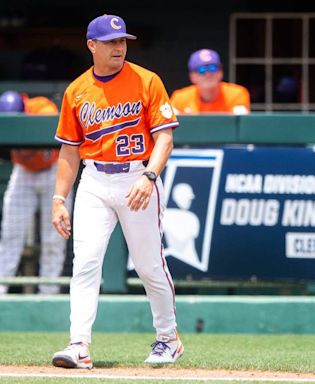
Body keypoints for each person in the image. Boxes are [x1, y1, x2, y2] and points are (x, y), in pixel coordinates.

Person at [50, 14, 183, 369]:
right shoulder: (76, 91)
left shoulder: (146, 80)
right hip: (94, 180)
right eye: (110, 42)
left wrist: (150, 175)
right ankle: (79, 344)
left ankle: (168, 338)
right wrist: (59, 199)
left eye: (122, 40)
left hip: (137, 177)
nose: (119, 47)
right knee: (86, 263)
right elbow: (69, 151)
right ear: (91, 45)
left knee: (149, 265)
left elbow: (165, 137)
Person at [0, 90, 70, 295]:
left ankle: (48, 294)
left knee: (53, 239)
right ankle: (1, 291)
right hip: (24, 173)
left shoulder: (41, 108)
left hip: (52, 170)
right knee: (10, 234)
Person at [170, 48, 250, 114]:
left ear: (220, 72)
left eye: (213, 68)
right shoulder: (179, 98)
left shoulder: (237, 94)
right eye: (201, 70)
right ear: (192, 76)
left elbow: (241, 124)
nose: (208, 74)